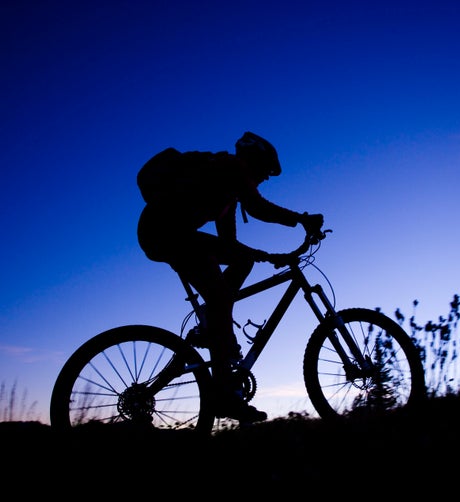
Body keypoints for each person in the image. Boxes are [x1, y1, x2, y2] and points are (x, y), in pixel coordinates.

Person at [136, 131, 324, 423]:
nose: (265, 179)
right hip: (164, 232)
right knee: (221, 294)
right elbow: (258, 207)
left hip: (166, 233)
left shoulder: (225, 194)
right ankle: (223, 392)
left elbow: (231, 246)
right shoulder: (231, 167)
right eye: (265, 171)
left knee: (239, 266)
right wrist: (301, 219)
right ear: (254, 160)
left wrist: (267, 255)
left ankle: (214, 321)